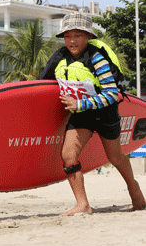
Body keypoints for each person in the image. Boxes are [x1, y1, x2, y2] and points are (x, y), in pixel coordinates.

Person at [39, 12, 145, 215]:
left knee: (115, 158)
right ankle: (83, 204)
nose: (72, 40)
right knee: (68, 156)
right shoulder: (60, 58)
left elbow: (112, 94)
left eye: (77, 35)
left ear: (88, 36)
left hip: (105, 112)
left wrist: (79, 103)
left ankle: (133, 186)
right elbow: (43, 84)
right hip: (82, 113)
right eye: (68, 36)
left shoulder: (97, 59)